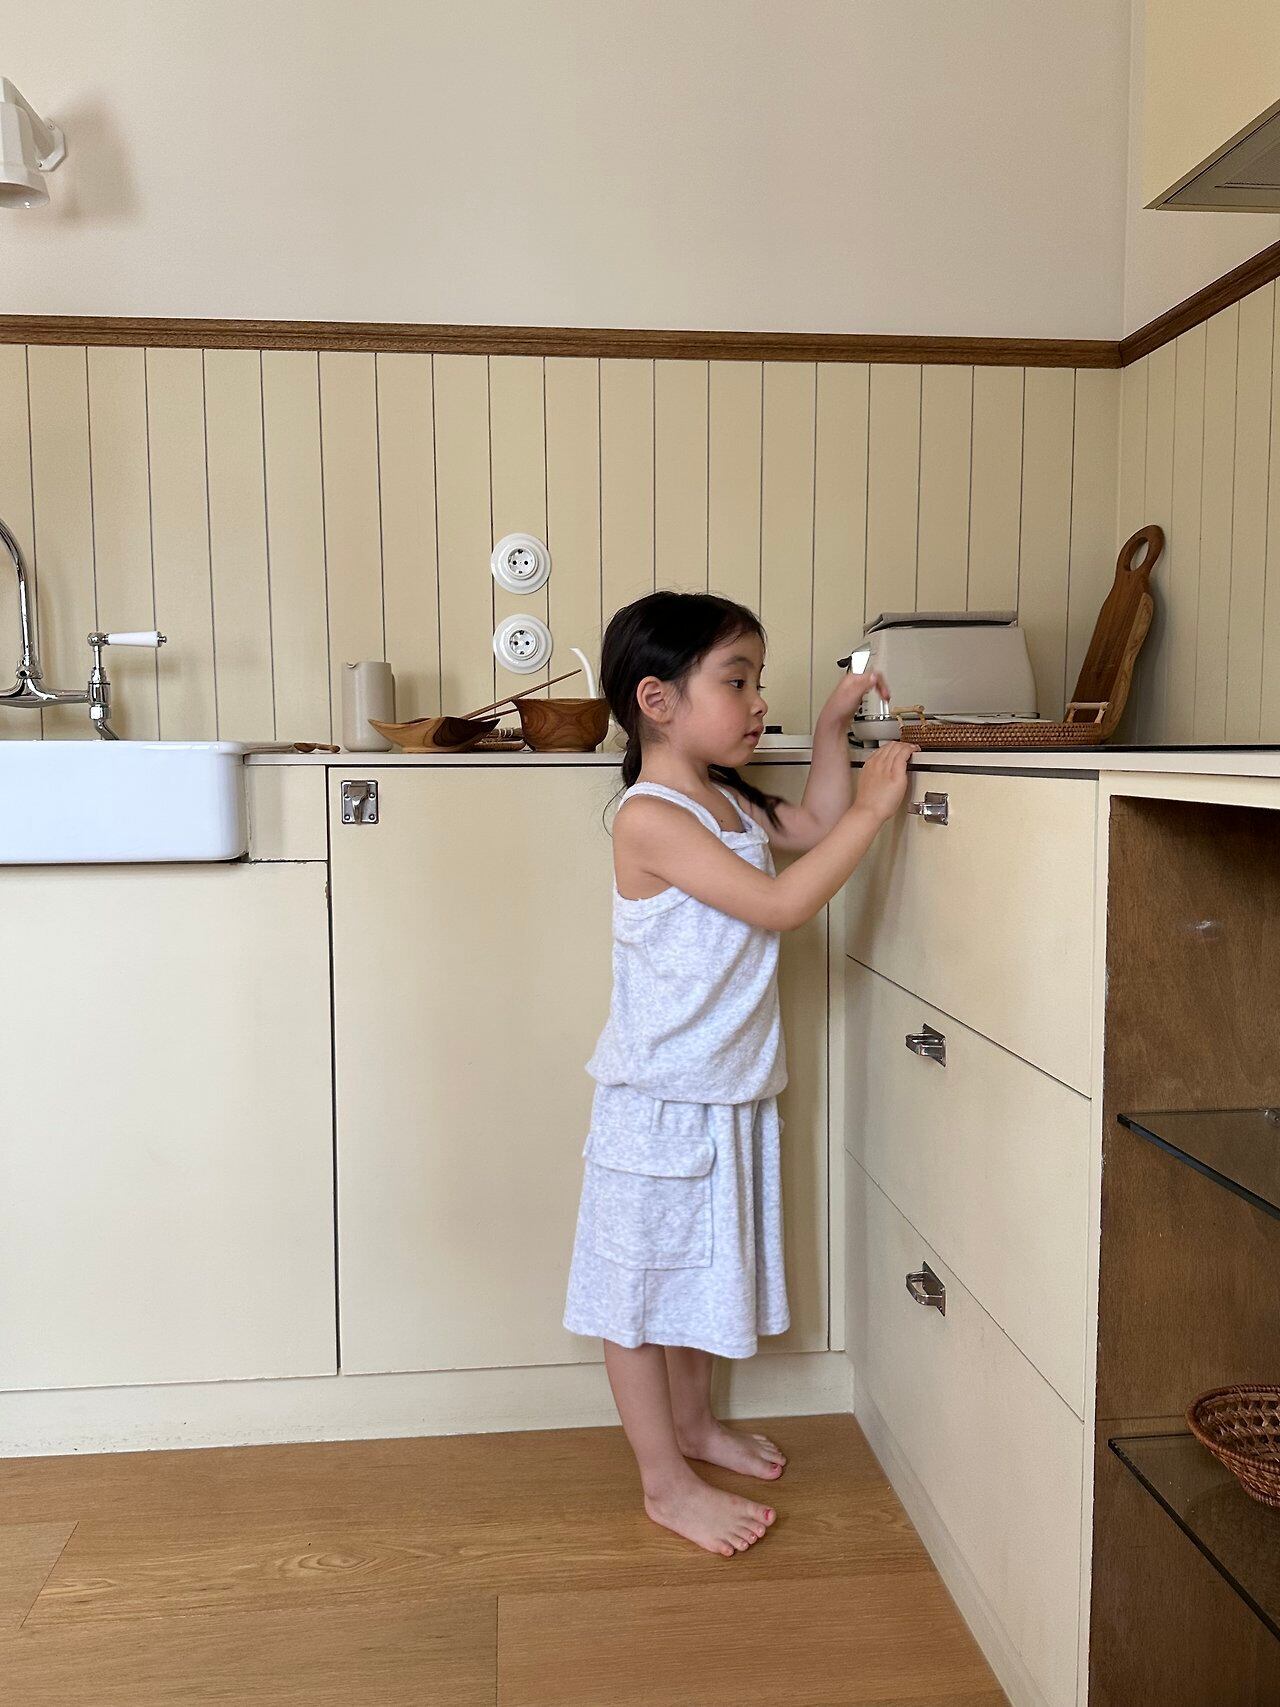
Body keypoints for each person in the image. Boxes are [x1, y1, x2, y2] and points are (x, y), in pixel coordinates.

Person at [563, 589, 916, 1557]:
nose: (759, 701)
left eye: (757, 680)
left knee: (689, 1281)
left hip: (724, 1093)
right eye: (736, 680)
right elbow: (782, 903)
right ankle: (663, 1482)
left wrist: (835, 732)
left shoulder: (728, 797)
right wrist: (876, 809)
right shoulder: (650, 816)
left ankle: (693, 1426)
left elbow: (812, 823)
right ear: (657, 700)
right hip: (660, 1103)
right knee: (638, 1301)